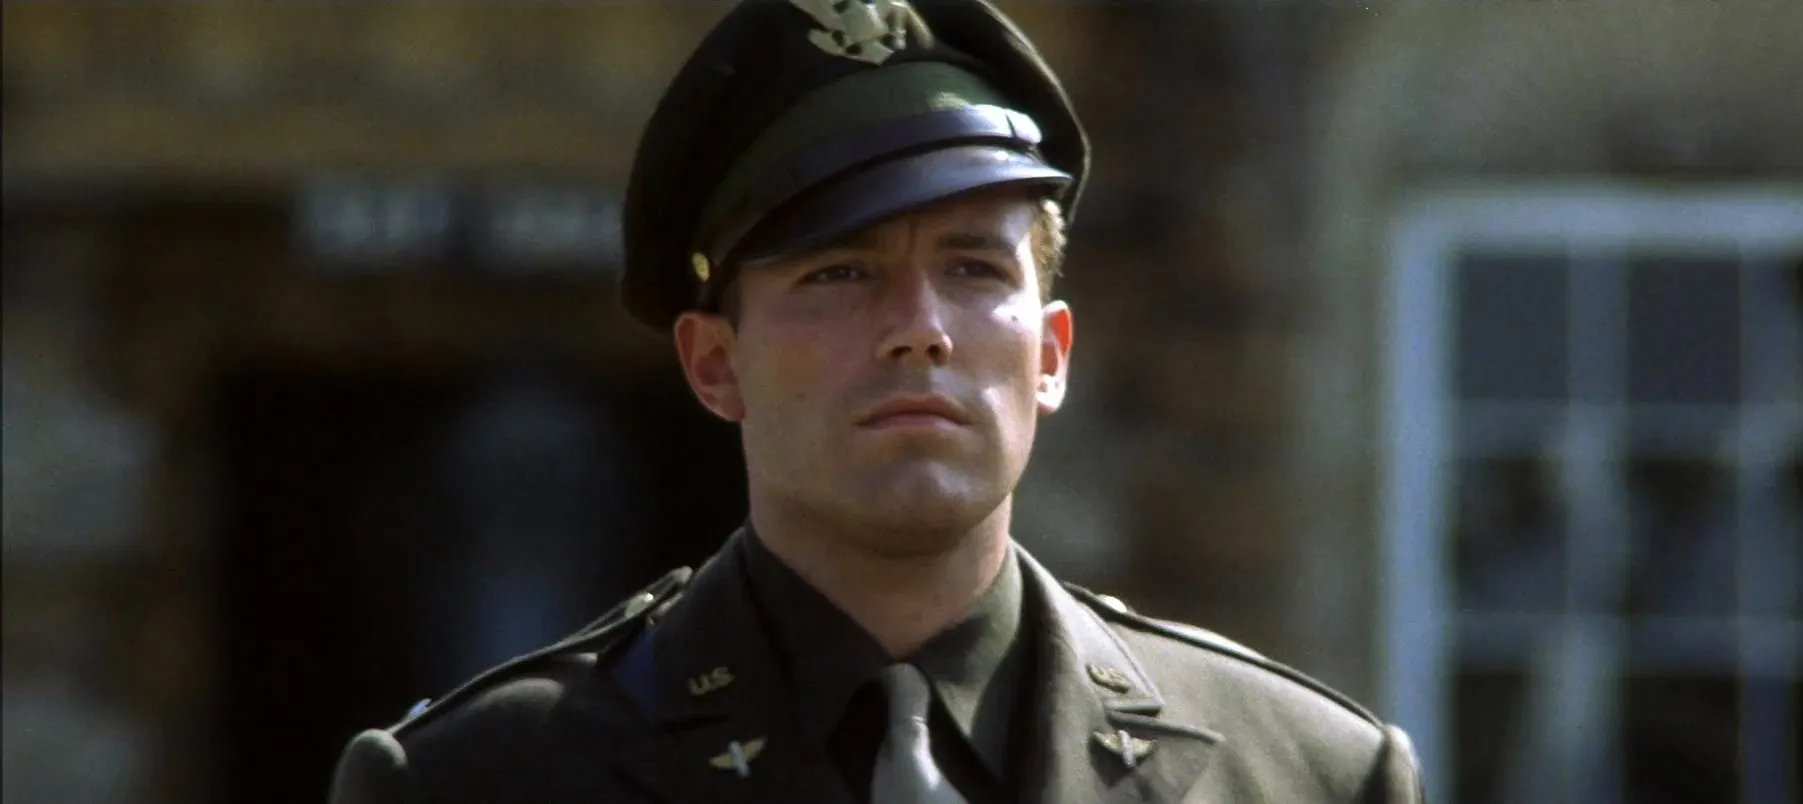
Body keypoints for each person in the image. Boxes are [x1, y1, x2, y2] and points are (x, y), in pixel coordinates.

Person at [328, 1, 1426, 802]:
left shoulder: (1304, 774)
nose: (919, 326)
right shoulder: (482, 782)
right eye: (840, 272)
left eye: (974, 267)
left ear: (1051, 355)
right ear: (714, 364)